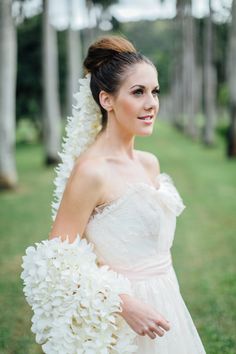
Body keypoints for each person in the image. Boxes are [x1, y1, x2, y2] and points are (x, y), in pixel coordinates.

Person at [49, 35, 206, 353]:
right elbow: (56, 261)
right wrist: (123, 304)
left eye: (154, 91)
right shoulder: (91, 172)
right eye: (138, 92)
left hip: (166, 301)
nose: (152, 103)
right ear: (106, 100)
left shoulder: (150, 163)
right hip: (121, 319)